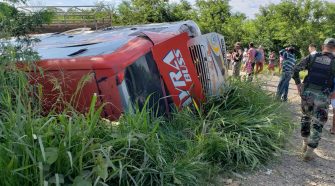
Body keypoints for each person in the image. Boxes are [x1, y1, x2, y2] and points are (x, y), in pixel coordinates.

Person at [292, 38, 335, 161]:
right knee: (318, 122)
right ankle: (310, 151)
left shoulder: (312, 57)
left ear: (323, 46)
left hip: (307, 93)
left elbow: (295, 69)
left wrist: (298, 84)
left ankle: (305, 143)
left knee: (306, 117)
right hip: (323, 95)